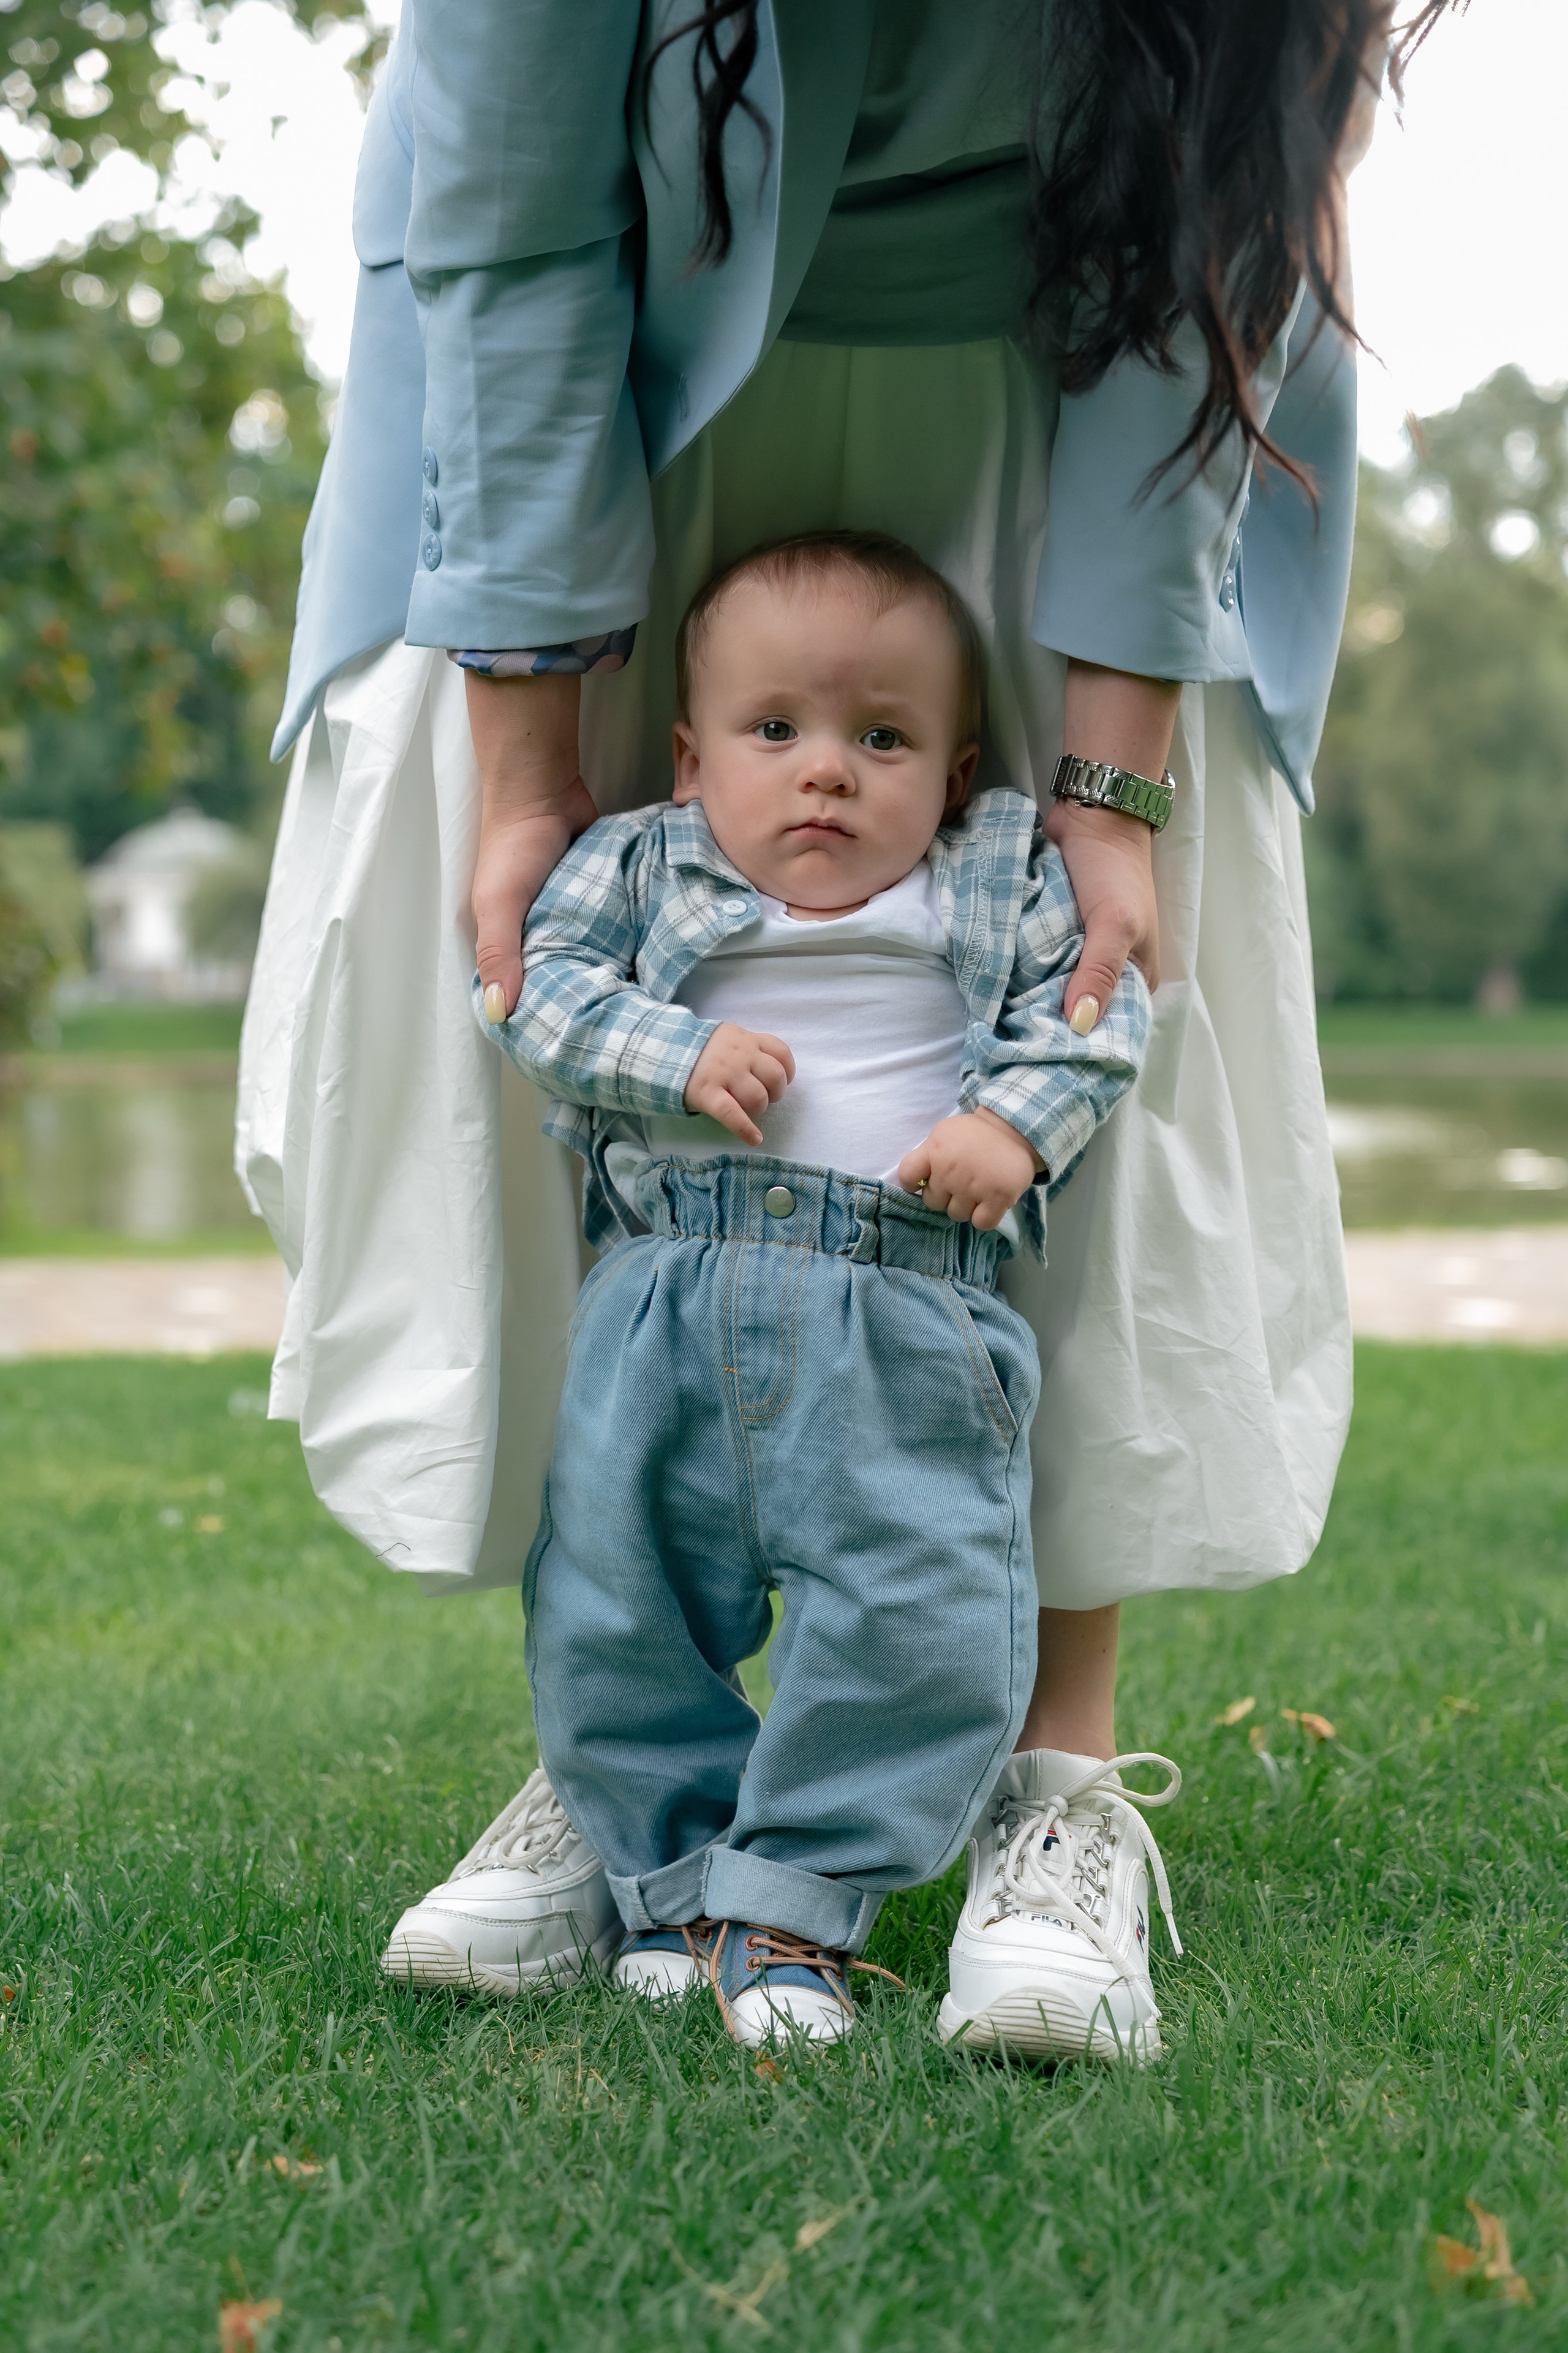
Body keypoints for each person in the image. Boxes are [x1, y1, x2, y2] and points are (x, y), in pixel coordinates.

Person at [239, 2, 1447, 2052]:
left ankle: (1056, 1781)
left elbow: (1215, 209)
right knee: (562, 1023)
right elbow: (516, 198)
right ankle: (643, 1774)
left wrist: (1110, 786)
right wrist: (528, 757)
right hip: (611, 348)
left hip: (1083, 368)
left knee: (1090, 1007)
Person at [480, 527, 1147, 2047]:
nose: (826, 772)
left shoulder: (996, 875)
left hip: (903, 1303)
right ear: (690, 755)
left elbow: (1096, 1018)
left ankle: (790, 1904)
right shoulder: (641, 860)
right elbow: (533, 986)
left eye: (881, 739)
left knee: (914, 1616)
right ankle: (668, 1885)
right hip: (665, 1292)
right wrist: (673, 1053)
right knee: (617, 1598)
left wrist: (1008, 1128)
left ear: (954, 772)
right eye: (773, 730)